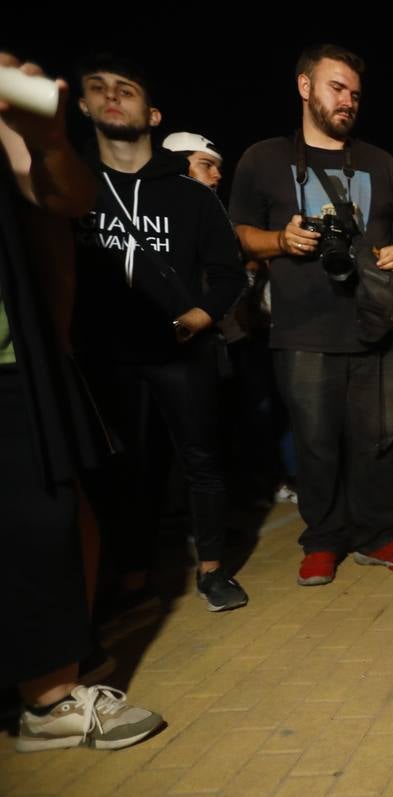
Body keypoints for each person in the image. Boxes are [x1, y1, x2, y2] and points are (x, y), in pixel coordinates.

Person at [1, 53, 162, 750]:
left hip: (20, 352)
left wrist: (46, 140)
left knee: (55, 507)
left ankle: (54, 676)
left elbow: (65, 200)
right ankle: (45, 695)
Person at [230, 44, 393, 586]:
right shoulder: (263, 158)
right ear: (304, 86)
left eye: (355, 94)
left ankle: (376, 537)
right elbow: (238, 231)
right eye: (337, 88)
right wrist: (280, 240)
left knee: (377, 441)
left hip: (376, 324)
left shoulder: (381, 162)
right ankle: (322, 540)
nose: (348, 101)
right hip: (303, 329)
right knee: (315, 443)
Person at [71, 53, 248, 612]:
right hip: (105, 356)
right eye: (98, 87)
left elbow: (230, 273)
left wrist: (200, 316)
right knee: (123, 469)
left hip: (179, 351)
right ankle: (133, 575)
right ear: (83, 105)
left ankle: (213, 570)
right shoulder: (73, 187)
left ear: (152, 115)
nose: (112, 96)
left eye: (126, 89)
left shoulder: (191, 195)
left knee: (201, 461)